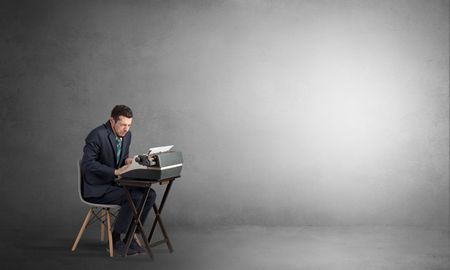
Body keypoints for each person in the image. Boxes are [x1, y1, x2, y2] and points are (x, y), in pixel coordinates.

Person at [81, 105, 156, 255]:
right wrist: (115, 171)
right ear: (111, 120)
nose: (126, 129)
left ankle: (130, 237)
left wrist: (129, 161)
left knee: (150, 194)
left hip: (116, 183)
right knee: (134, 197)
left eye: (129, 125)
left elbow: (120, 159)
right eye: (122, 124)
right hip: (97, 187)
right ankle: (115, 239)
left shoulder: (127, 135)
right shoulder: (96, 135)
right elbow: (88, 164)